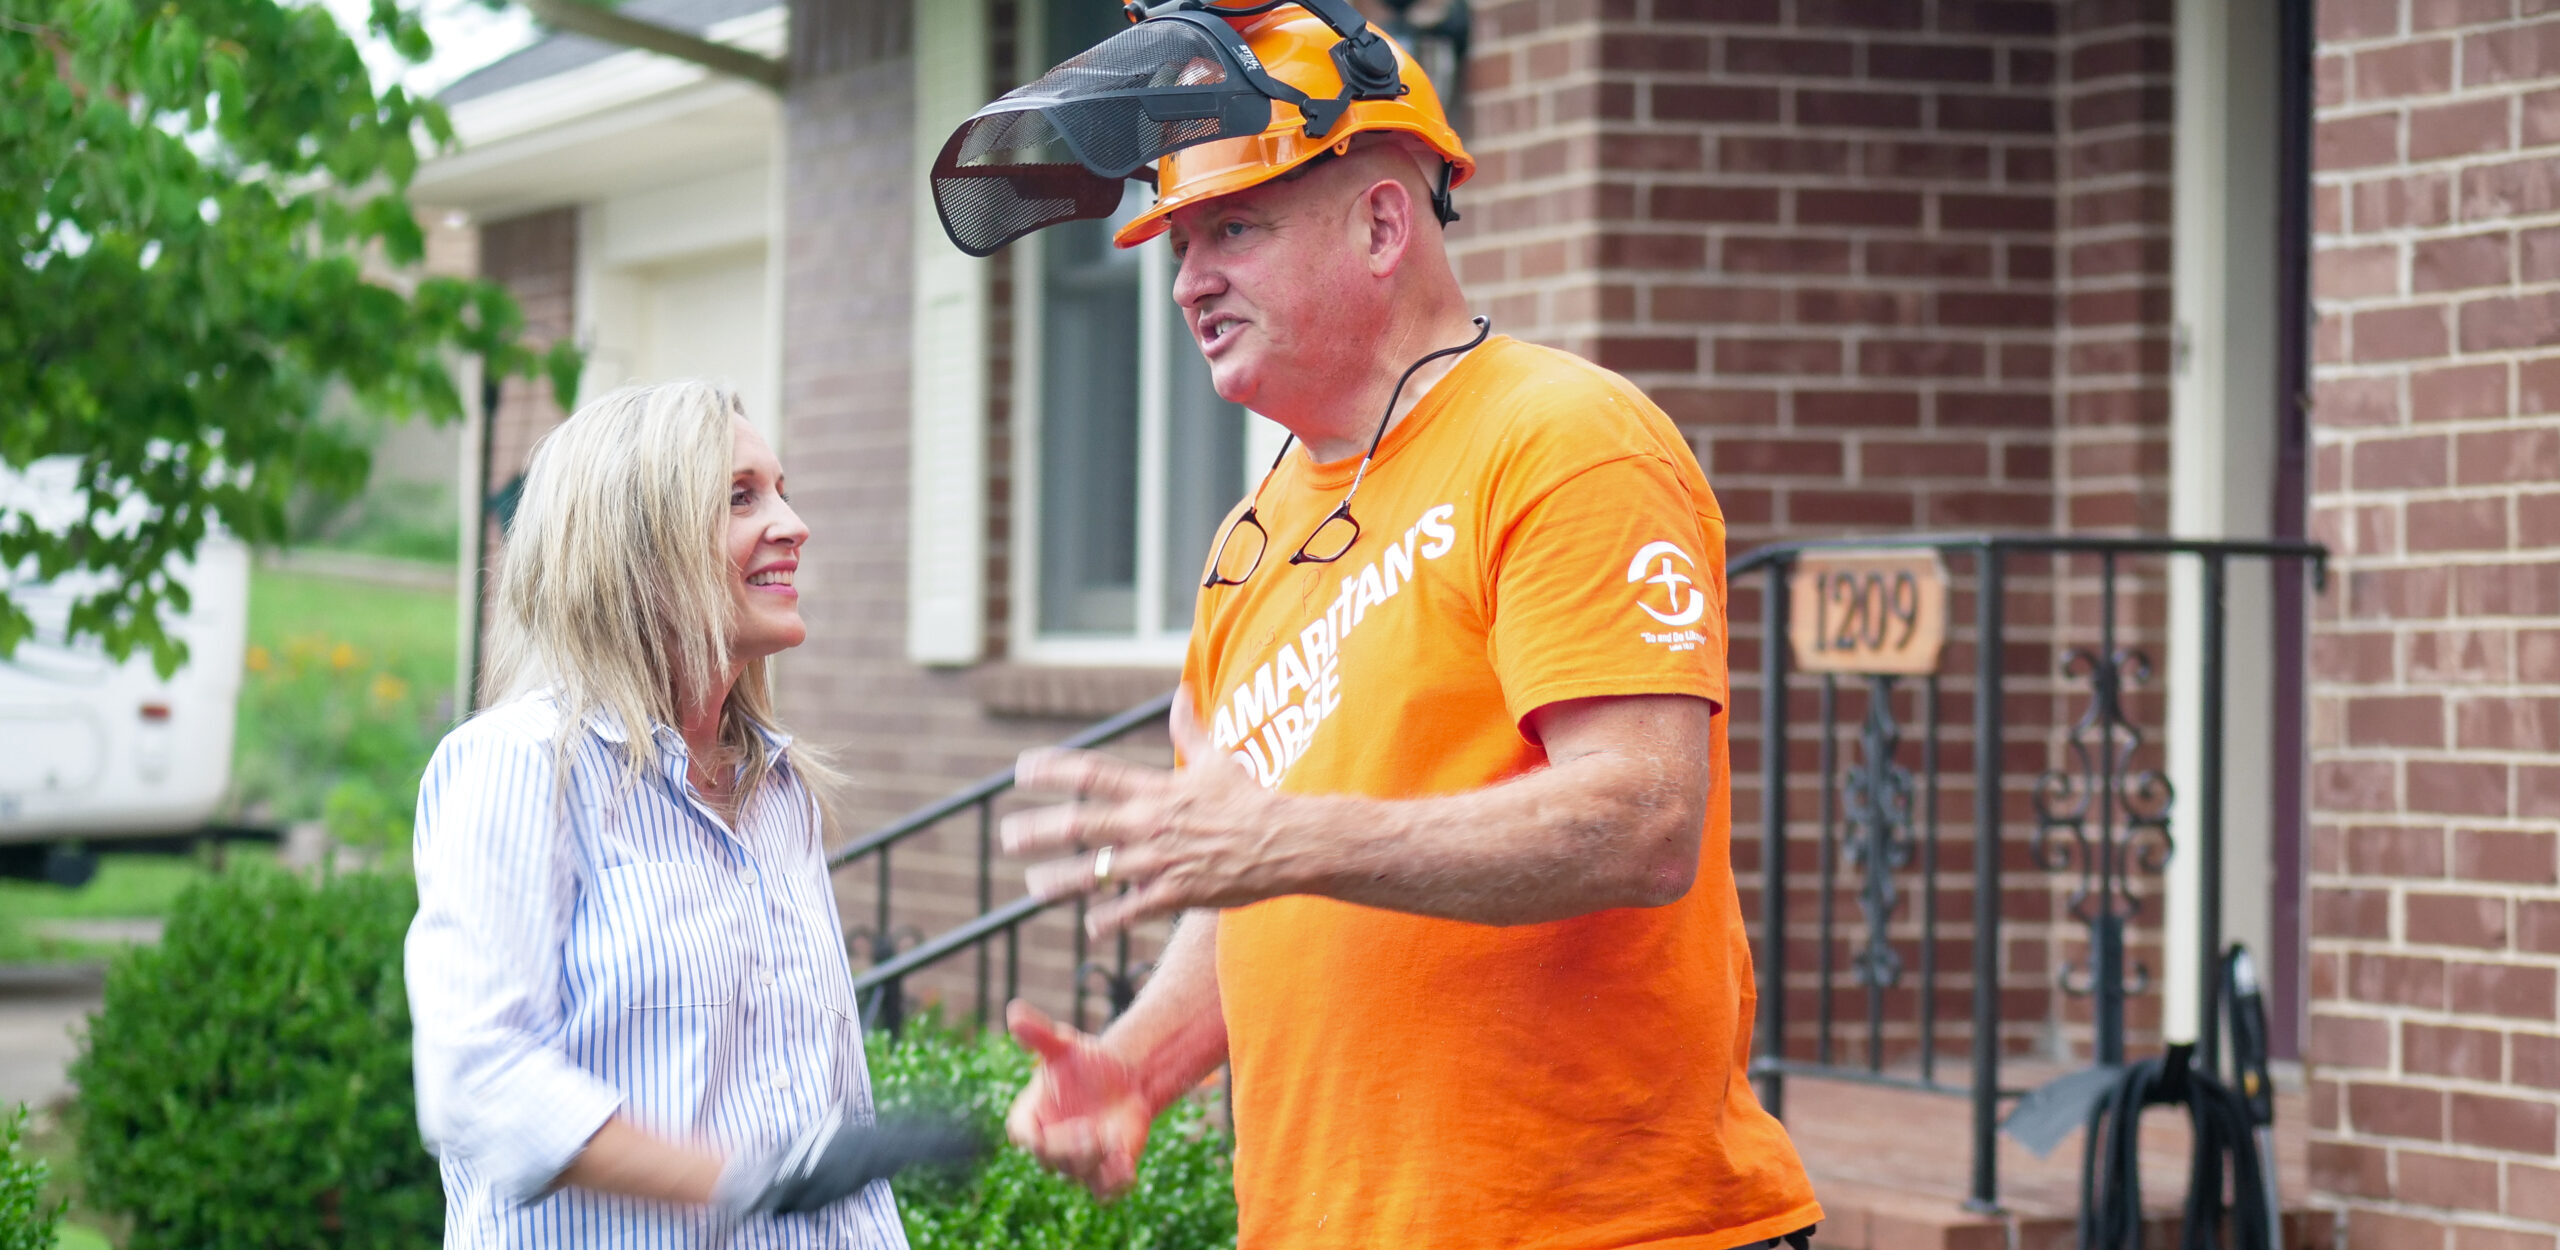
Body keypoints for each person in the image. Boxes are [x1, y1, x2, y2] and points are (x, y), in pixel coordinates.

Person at [935, 3, 1824, 1247]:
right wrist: (1138, 1061)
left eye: (1231, 227)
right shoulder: (1245, 543)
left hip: (1607, 1228)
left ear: (1380, 222)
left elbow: (1641, 818)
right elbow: (1255, 876)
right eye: (1179, 242)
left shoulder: (1562, 438)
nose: (1188, 278)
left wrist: (1288, 837)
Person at [405, 381, 945, 1247]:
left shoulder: (781, 793)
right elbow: (480, 1079)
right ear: (634, 546)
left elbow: (827, 1137)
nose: (792, 524)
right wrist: (748, 1183)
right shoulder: (515, 766)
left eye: (782, 488)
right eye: (741, 497)